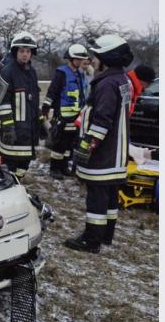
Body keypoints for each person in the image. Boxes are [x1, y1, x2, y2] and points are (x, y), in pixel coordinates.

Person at [64, 35, 134, 253]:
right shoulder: (123, 81)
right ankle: (105, 236)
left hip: (104, 154)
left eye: (96, 56)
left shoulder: (106, 84)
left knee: (97, 196)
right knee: (110, 196)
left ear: (106, 58)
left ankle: (91, 240)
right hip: (117, 152)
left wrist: (87, 146)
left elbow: (102, 120)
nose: (92, 60)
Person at [0, 31, 41, 179]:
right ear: (15, 51)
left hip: (29, 128)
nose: (25, 55)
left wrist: (41, 122)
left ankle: (18, 181)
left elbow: (34, 100)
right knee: (11, 162)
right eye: (22, 51)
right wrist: (8, 127)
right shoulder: (8, 71)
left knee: (24, 162)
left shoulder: (32, 72)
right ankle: (10, 184)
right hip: (14, 129)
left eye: (28, 51)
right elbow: (3, 101)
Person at [41, 44, 90, 179]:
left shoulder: (80, 74)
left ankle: (63, 167)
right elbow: (53, 90)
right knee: (60, 143)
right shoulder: (61, 72)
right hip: (62, 115)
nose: (80, 62)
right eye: (78, 59)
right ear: (71, 59)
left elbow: (83, 93)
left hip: (76, 115)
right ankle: (54, 168)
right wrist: (46, 106)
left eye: (82, 59)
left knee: (70, 143)